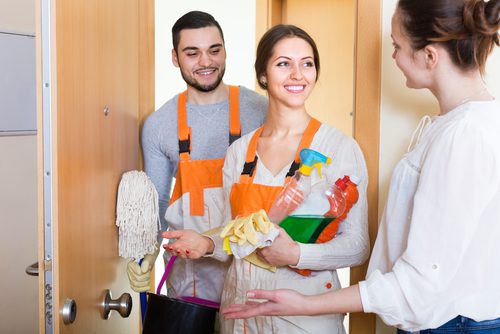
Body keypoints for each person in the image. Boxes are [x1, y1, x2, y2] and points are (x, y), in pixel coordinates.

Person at [222, 0, 500, 333]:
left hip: (451, 326)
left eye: (397, 46)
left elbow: (418, 282)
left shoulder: (464, 134)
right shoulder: (449, 126)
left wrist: (306, 301)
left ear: (429, 56)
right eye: (283, 64)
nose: (393, 57)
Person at [162, 24, 369, 333]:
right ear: (262, 75)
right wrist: (206, 242)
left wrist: (297, 254)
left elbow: (357, 246)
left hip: (303, 320)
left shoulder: (337, 148)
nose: (298, 74)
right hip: (240, 315)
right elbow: (236, 235)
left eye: (307, 63)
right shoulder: (239, 152)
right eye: (284, 63)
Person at [126, 10, 268, 306]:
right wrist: (147, 251)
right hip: (190, 281)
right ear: (175, 58)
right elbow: (159, 202)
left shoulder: (261, 111)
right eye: (192, 53)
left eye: (214, 50)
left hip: (251, 272)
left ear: (225, 51)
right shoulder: (159, 125)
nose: (206, 62)